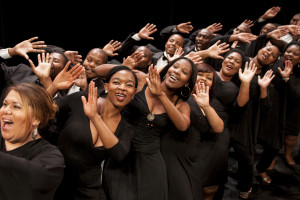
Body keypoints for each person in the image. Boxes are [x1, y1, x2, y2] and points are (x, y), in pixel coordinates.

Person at [46, 64, 137, 200]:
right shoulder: (82, 99)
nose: (122, 88)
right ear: (106, 86)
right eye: (116, 82)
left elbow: (119, 154)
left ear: (134, 93)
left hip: (88, 190)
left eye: (129, 85)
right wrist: (53, 87)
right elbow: (42, 110)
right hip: (56, 180)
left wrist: (94, 117)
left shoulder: (126, 127)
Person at [114, 56, 197, 200]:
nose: (177, 72)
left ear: (187, 83)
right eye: (175, 66)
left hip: (149, 160)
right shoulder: (141, 80)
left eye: (184, 72)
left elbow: (183, 126)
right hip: (121, 152)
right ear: (168, 68)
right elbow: (99, 71)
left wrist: (161, 95)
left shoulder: (182, 105)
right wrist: (124, 67)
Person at [160, 63, 224, 200]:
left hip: (193, 158)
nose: (203, 80)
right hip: (172, 153)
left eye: (209, 78)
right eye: (200, 75)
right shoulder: (177, 97)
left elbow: (218, 128)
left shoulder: (211, 103)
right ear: (190, 79)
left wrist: (206, 106)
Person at [0, 82, 65, 200]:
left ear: (36, 119)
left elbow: (35, 177)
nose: (6, 110)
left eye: (16, 106)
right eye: (4, 104)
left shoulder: (50, 155)